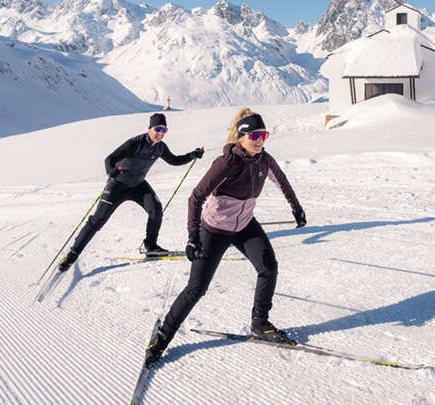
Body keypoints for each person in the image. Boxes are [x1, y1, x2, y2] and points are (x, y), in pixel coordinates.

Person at [144, 108, 306, 367]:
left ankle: (260, 323)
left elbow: (282, 180)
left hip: (244, 225)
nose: (260, 141)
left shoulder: (264, 160)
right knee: (196, 289)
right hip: (214, 230)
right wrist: (193, 236)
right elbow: (196, 197)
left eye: (264, 135)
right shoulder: (227, 163)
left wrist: (295, 207)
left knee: (268, 267)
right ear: (242, 137)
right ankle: (161, 338)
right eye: (255, 136)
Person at [58, 113, 204, 271]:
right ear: (150, 128)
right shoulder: (135, 143)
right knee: (97, 220)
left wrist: (193, 155)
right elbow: (109, 159)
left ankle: (151, 246)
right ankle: (72, 254)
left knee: (155, 209)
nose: (160, 133)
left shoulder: (160, 147)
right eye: (158, 129)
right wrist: (111, 172)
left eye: (164, 130)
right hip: (117, 186)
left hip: (138, 185)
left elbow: (174, 160)